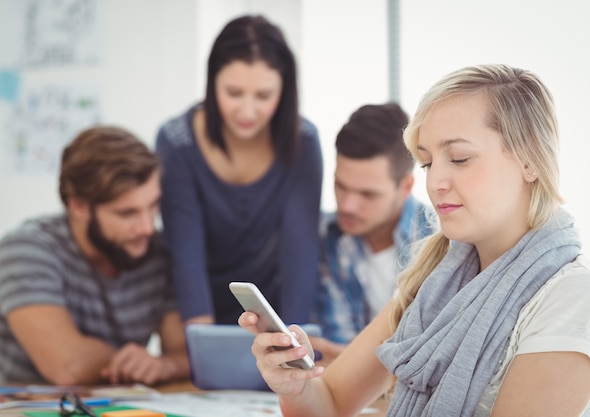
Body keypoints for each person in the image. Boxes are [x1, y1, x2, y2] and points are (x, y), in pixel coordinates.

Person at [239, 64, 590, 417]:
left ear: (530, 161)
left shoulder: (575, 297)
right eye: (427, 162)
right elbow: (332, 404)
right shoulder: (434, 280)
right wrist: (294, 384)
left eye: (459, 158)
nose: (435, 181)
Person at [155, 15, 323, 326]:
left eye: (263, 96)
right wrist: (201, 346)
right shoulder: (176, 142)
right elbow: (185, 254)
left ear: (284, 91)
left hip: (274, 316)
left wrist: (291, 342)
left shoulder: (304, 141)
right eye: (233, 93)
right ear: (211, 82)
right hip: (192, 311)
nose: (247, 112)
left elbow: (300, 254)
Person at [0, 126, 189, 386]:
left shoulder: (157, 251)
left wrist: (163, 365)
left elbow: (185, 351)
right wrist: (139, 364)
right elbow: (67, 366)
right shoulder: (26, 249)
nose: (147, 227)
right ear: (78, 205)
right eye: (127, 213)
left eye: (153, 205)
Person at [312, 103, 436, 365]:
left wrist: (357, 367)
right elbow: (337, 352)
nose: (347, 205)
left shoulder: (442, 242)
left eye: (367, 194)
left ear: (406, 186)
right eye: (340, 186)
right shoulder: (327, 238)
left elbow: (431, 361)